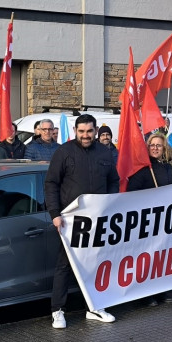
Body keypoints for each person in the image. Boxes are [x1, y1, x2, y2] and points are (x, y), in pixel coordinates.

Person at [45, 114, 119, 328]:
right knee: (65, 265)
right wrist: (55, 214)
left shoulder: (104, 152)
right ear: (75, 131)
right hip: (70, 220)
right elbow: (51, 184)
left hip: (98, 219)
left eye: (89, 131)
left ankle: (94, 307)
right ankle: (58, 310)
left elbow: (114, 181)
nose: (85, 135)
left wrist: (109, 204)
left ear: (95, 131)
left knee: (96, 263)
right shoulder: (63, 152)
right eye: (81, 131)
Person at [126, 132, 172, 306]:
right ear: (147, 147)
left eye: (159, 145)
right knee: (146, 256)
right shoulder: (142, 169)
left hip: (162, 218)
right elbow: (131, 192)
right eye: (152, 145)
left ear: (164, 148)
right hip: (146, 219)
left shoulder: (167, 167)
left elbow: (169, 188)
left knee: (160, 256)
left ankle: (161, 290)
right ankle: (145, 294)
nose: (155, 148)